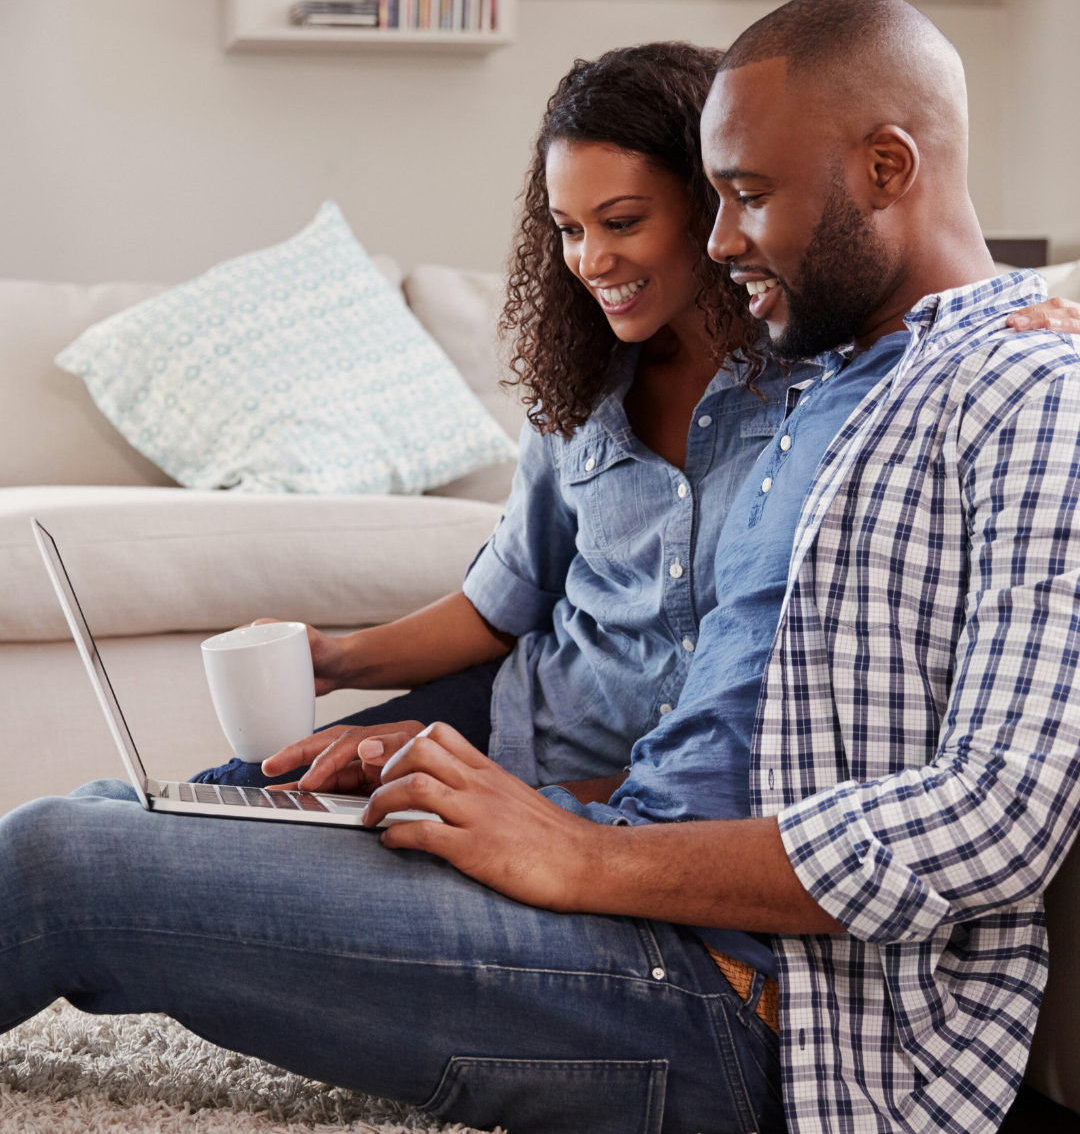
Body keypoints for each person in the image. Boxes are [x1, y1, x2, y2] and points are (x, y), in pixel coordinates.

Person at [5, 0, 1080, 1134]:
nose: (721, 242)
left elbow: (996, 820)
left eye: (750, 197)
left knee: (65, 865)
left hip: (728, 993)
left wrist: (585, 859)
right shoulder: (820, 385)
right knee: (130, 809)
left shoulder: (1029, 394)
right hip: (616, 871)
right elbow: (745, 734)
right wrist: (526, 801)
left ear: (888, 167)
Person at [193, 43, 818, 799]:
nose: (590, 261)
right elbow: (502, 605)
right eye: (570, 229)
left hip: (672, 786)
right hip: (532, 720)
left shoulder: (817, 383)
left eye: (621, 222)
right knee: (243, 789)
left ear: (710, 205)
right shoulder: (581, 387)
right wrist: (338, 660)